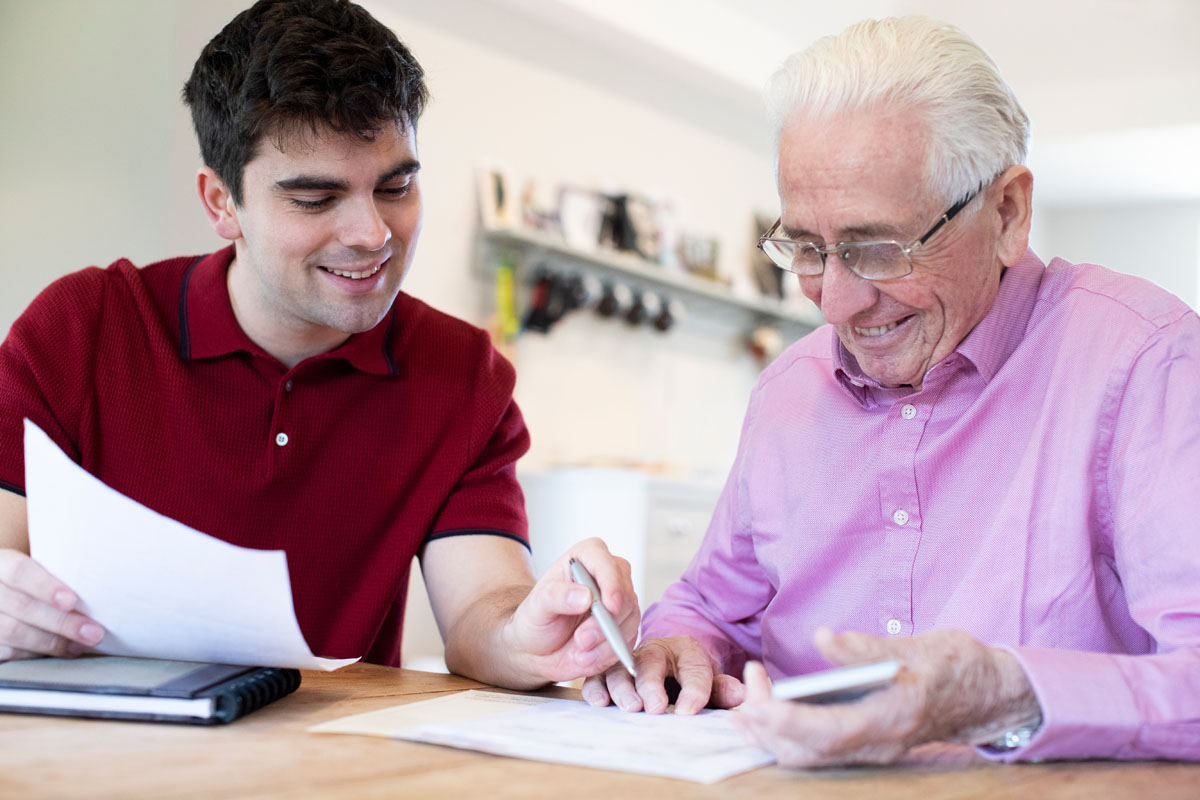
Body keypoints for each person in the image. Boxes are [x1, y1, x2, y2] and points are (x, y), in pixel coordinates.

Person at [584, 15, 1200, 765]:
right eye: (807, 248)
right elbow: (711, 607)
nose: (834, 303)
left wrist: (1010, 695)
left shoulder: (1146, 363)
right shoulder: (788, 391)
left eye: (879, 248)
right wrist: (676, 648)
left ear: (1006, 212)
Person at [0, 0, 637, 691]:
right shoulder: (85, 327)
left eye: (396, 186)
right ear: (220, 204)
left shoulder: (462, 374)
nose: (372, 233)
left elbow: (483, 610)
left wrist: (535, 633)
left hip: (329, 770)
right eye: (314, 198)